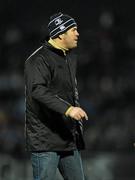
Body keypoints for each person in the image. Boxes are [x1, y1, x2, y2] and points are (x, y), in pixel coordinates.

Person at [24, 12, 88, 180]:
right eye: (73, 29)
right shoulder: (38, 59)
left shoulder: (69, 57)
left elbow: (69, 93)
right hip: (45, 139)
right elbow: (37, 90)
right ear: (60, 34)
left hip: (67, 137)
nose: (77, 33)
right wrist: (68, 110)